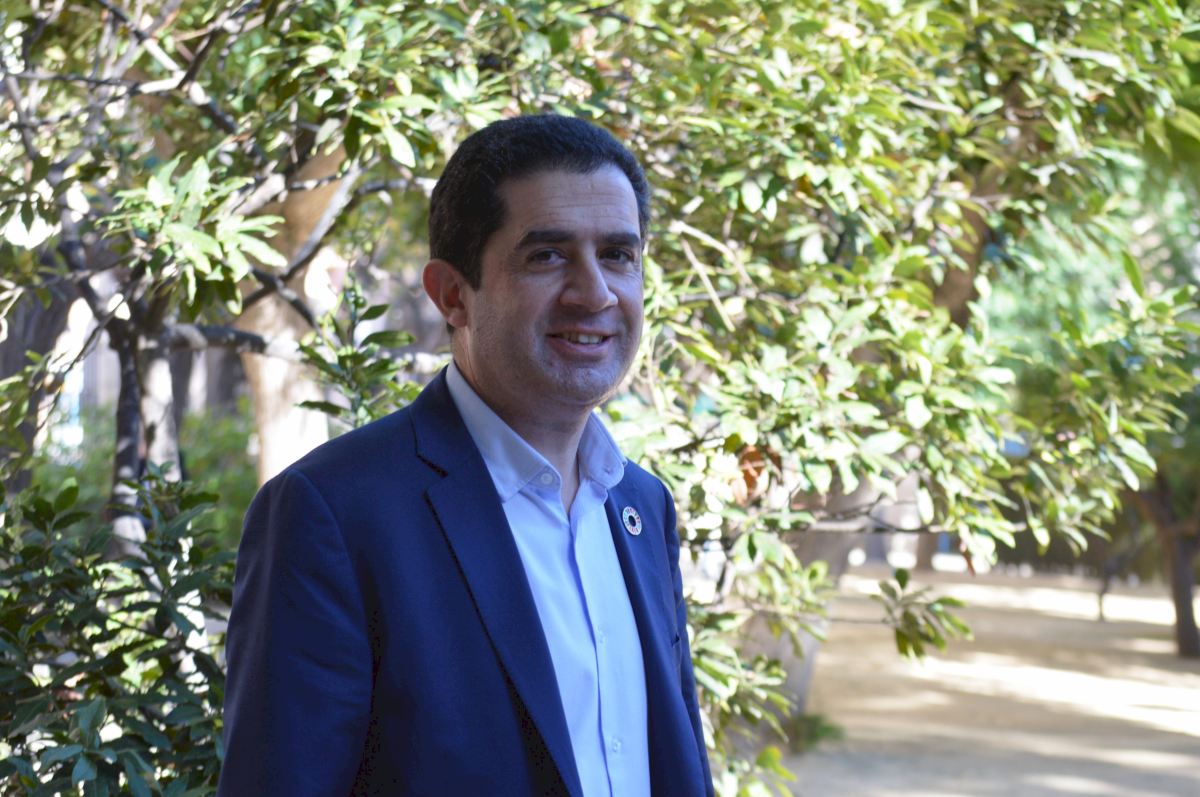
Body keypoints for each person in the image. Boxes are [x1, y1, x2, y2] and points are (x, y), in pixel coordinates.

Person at [217, 114, 714, 797]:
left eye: (618, 255)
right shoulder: (334, 514)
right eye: (548, 256)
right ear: (453, 295)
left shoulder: (641, 505)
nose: (596, 292)